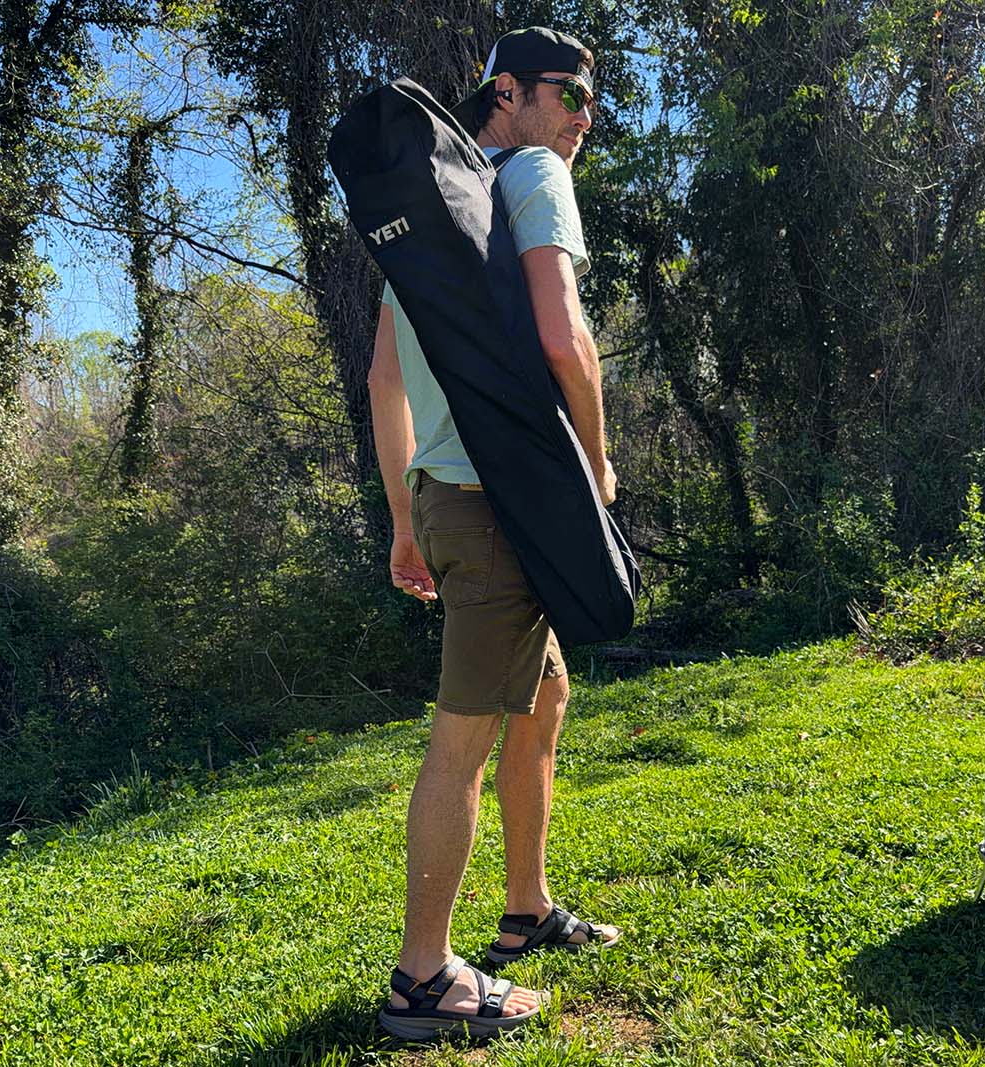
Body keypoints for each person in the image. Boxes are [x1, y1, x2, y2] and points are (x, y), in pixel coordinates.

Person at [365, 26, 622, 1042]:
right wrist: (594, 462)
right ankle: (422, 977)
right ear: (507, 92)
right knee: (462, 739)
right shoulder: (529, 176)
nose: (584, 118)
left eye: (592, 100)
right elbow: (565, 335)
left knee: (543, 693)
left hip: (445, 497)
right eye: (570, 95)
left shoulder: (431, 208)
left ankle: (525, 909)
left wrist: (404, 516)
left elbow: (385, 377)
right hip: (501, 503)